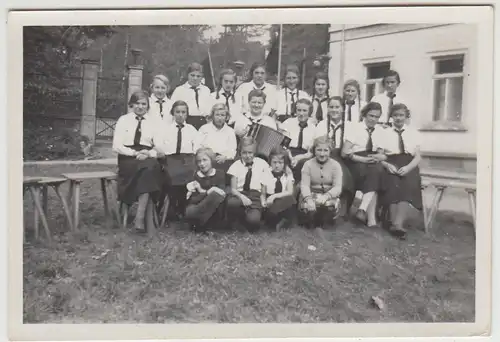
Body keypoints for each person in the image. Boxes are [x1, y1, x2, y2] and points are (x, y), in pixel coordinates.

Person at [112, 90, 166, 233]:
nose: (140, 107)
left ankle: (139, 217)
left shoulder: (155, 122)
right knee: (147, 171)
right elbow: (116, 145)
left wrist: (148, 153)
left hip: (147, 156)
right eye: (137, 103)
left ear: (148, 106)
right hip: (128, 158)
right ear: (131, 104)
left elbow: (160, 147)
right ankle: (141, 218)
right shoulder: (123, 120)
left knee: (149, 168)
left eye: (144, 104)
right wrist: (135, 153)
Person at [378, 104, 423, 239]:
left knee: (407, 184)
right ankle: (394, 222)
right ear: (391, 117)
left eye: (401, 115)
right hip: (391, 161)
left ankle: (397, 223)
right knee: (392, 182)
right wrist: (386, 165)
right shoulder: (384, 133)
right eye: (395, 115)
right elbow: (379, 156)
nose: (398, 118)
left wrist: (409, 168)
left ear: (406, 117)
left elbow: (418, 156)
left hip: (409, 163)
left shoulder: (413, 133)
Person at [342, 101, 386, 228]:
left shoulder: (380, 131)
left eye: (377, 117)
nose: (373, 119)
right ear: (364, 115)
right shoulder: (355, 128)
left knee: (376, 169)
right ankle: (365, 213)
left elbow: (380, 151)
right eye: (371, 116)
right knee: (376, 172)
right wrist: (363, 159)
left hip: (371, 161)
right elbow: (345, 152)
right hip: (355, 161)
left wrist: (378, 156)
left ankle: (364, 212)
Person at [314, 96, 355, 217]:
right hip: (325, 154)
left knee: (344, 173)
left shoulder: (349, 126)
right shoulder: (322, 125)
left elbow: (347, 148)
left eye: (337, 107)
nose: (334, 110)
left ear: (343, 109)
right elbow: (318, 143)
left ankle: (342, 205)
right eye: (331, 107)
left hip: (343, 156)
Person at [158, 100, 200, 220]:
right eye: (177, 112)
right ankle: (173, 205)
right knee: (171, 176)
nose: (180, 115)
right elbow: (161, 146)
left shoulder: (191, 129)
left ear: (187, 114)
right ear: (173, 113)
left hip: (187, 159)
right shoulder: (166, 129)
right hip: (171, 159)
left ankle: (182, 206)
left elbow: (196, 146)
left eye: (183, 112)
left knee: (189, 174)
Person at [226, 137, 272, 233]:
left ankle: (249, 219)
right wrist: (242, 197)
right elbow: (233, 189)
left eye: (250, 153)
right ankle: (236, 221)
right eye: (244, 153)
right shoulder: (236, 165)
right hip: (239, 194)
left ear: (254, 152)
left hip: (255, 196)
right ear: (240, 152)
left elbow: (264, 183)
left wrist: (263, 197)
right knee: (232, 203)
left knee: (253, 221)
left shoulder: (262, 164)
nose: (247, 156)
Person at [299, 136, 343, 230]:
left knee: (328, 212)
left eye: (325, 150)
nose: (322, 154)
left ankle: (325, 221)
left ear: (330, 151)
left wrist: (326, 196)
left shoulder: (335, 165)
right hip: (312, 194)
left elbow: (338, 187)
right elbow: (304, 185)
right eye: (319, 150)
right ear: (314, 150)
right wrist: (309, 199)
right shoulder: (308, 164)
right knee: (309, 211)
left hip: (328, 195)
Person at [184, 147, 228, 233]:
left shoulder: (219, 174)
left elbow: (222, 194)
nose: (202, 164)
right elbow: (193, 200)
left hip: (215, 210)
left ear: (211, 160)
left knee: (215, 195)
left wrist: (202, 191)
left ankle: (201, 225)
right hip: (198, 208)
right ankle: (203, 224)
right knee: (190, 210)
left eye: (205, 160)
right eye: (199, 161)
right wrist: (208, 191)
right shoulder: (195, 175)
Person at [281, 98, 315, 182]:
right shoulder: (288, 123)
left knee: (303, 164)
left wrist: (299, 158)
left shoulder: (314, 127)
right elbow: (284, 145)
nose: (301, 113)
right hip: (288, 152)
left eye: (304, 110)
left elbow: (311, 152)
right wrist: (291, 157)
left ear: (309, 112)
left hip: (304, 155)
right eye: (299, 110)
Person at [263, 147, 296, 231]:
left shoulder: (287, 174)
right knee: (270, 211)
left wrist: (274, 196)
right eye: (274, 162)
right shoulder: (266, 172)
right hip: (269, 199)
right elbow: (262, 192)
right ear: (270, 161)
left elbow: (289, 191)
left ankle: (284, 221)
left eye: (280, 163)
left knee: (290, 199)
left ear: (285, 163)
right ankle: (272, 222)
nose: (277, 165)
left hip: (282, 198)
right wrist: (263, 201)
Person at [198, 103, 237, 173]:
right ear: (212, 116)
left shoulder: (230, 131)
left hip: (223, 162)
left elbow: (233, 150)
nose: (219, 118)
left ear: (226, 117)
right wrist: (206, 157)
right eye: (217, 115)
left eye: (222, 115)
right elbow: (197, 146)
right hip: (206, 161)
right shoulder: (204, 129)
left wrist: (225, 157)